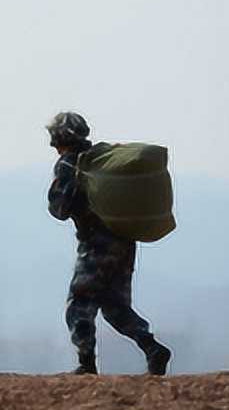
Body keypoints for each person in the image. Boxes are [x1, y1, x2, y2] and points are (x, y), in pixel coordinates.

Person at [46, 111, 171, 376]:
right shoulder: (99, 159)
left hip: (96, 244)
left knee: (79, 302)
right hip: (124, 241)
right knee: (116, 308)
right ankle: (153, 349)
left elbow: (59, 208)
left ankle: (86, 363)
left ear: (59, 139)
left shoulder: (70, 164)